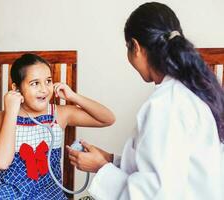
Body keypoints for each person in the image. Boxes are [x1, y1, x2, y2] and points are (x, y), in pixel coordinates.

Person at [67, 2, 224, 200]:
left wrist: (102, 168)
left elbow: (153, 193)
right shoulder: (189, 92)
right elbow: (164, 168)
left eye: (127, 48)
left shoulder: (166, 105)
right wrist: (109, 160)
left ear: (136, 47)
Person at [0, 53, 115, 199]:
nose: (44, 89)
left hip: (48, 192)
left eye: (48, 81)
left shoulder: (59, 114)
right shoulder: (2, 117)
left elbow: (107, 119)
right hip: (8, 192)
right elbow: (1, 162)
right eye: (35, 83)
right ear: (16, 88)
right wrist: (11, 113)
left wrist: (73, 96)